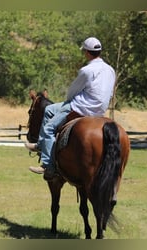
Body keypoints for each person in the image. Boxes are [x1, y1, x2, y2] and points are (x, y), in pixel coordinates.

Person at [25, 37, 116, 180]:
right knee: (50, 111)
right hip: (100, 110)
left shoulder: (86, 70)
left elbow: (72, 92)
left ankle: (47, 164)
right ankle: (41, 144)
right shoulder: (110, 70)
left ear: (87, 52)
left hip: (80, 107)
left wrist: (70, 101)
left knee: (49, 123)